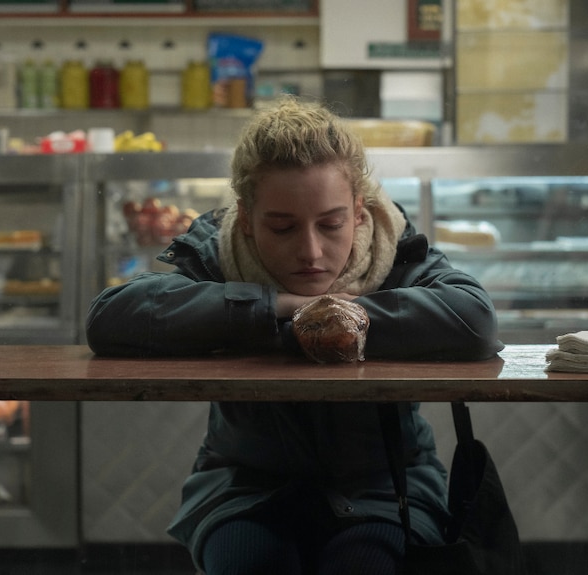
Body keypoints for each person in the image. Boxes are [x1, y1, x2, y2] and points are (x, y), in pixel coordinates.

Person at [86, 97, 502, 575]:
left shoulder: (393, 248)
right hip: (245, 486)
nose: (310, 251)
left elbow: (475, 320)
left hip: (388, 485)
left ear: (360, 212)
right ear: (244, 217)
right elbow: (112, 318)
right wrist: (281, 307)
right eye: (281, 227)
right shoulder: (218, 249)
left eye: (331, 224)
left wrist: (339, 318)